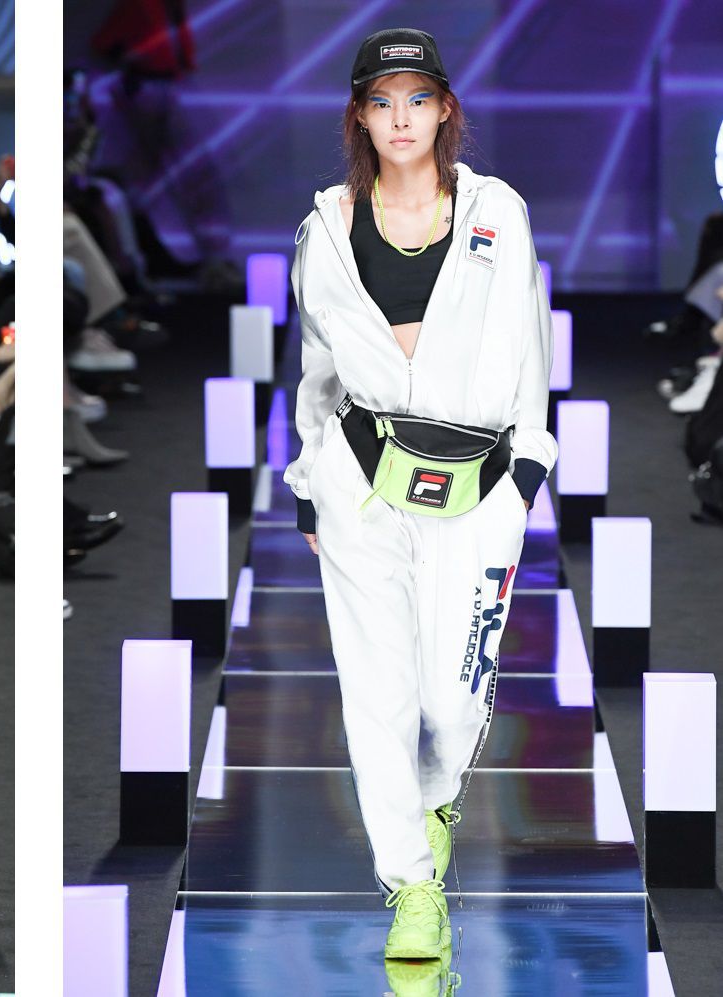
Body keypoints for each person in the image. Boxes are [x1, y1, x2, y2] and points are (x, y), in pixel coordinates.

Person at [284, 28, 555, 963]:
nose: (400, 118)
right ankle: (411, 883)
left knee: (453, 697)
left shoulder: (497, 213)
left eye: (416, 99)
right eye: (381, 101)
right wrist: (306, 484)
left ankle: (433, 803)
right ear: (360, 117)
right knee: (379, 694)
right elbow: (317, 368)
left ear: (444, 109)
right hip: (359, 480)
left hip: (479, 483)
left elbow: (530, 346)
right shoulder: (325, 228)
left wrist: (525, 478)